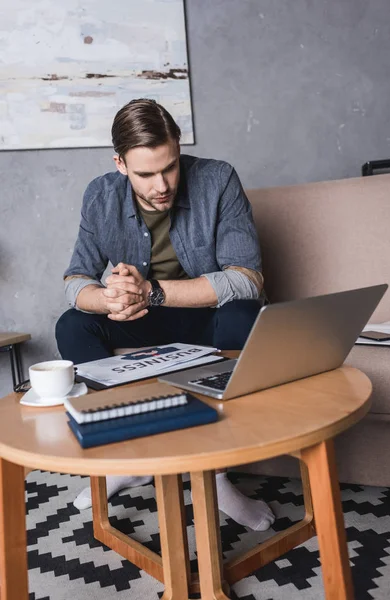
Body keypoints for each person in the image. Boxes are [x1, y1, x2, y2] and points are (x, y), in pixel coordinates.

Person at [56, 98, 275, 531]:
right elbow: (75, 280)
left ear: (178, 147)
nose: (162, 184)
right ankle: (131, 457)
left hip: (205, 314)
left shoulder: (217, 178)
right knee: (73, 324)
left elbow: (248, 279)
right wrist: (107, 300)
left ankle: (214, 476)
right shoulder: (99, 195)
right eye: (145, 173)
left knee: (244, 313)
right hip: (142, 321)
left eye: (170, 167)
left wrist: (150, 292)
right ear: (120, 163)